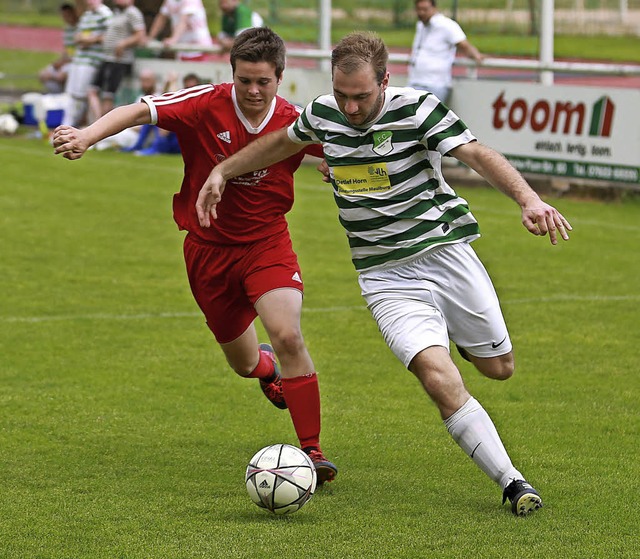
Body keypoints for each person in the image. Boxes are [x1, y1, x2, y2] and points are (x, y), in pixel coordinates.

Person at [195, 31, 574, 516]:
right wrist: (222, 172)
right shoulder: (323, 114)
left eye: (361, 96)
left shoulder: (418, 108)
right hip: (385, 277)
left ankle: (455, 331)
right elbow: (276, 145)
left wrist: (528, 198)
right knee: (438, 379)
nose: (350, 109)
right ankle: (512, 482)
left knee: (498, 369)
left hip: (445, 255)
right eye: (341, 95)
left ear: (385, 81)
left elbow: (476, 153)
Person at [52, 28, 337, 484]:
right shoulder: (207, 103)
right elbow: (138, 110)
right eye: (245, 80)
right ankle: (268, 371)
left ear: (280, 78)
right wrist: (88, 135)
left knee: (288, 335)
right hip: (207, 252)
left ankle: (312, 452)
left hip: (267, 245)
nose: (254, 91)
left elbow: (342, 151)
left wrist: (332, 164)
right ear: (232, 74)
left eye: (263, 81)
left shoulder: (296, 120)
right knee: (245, 363)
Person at [408, 0, 483, 103]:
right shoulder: (421, 25)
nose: (421, 13)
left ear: (434, 8)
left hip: (436, 84)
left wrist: (476, 55)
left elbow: (463, 44)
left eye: (425, 9)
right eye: (418, 9)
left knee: (430, 118)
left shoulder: (447, 25)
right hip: (415, 81)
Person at [86, 0, 146, 122]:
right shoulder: (117, 12)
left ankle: (102, 127)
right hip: (107, 57)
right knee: (92, 90)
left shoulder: (133, 13)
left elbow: (140, 35)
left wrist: (123, 44)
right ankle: (97, 122)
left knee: (109, 95)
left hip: (120, 60)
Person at [61, 0, 113, 127]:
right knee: (72, 94)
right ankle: (65, 126)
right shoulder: (86, 15)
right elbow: (77, 35)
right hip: (78, 60)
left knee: (83, 95)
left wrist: (91, 40)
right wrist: (81, 39)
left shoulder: (105, 13)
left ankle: (75, 126)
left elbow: (111, 36)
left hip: (92, 61)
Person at [146, 0, 213, 62]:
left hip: (200, 50)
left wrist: (173, 40)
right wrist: (150, 38)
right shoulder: (169, 1)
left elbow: (184, 21)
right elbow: (161, 18)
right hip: (182, 50)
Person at [39, 3, 80, 94]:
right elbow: (66, 50)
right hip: (67, 60)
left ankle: (63, 96)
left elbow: (79, 53)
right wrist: (59, 62)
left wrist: (64, 62)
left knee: (60, 76)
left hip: (76, 61)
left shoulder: (80, 28)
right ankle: (56, 95)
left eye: (68, 15)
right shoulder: (67, 30)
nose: (66, 18)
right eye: (64, 16)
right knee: (43, 74)